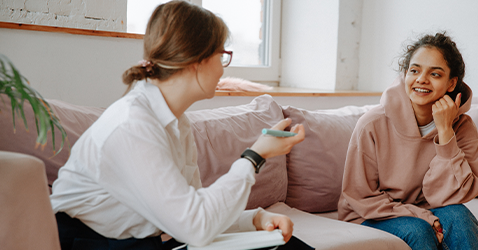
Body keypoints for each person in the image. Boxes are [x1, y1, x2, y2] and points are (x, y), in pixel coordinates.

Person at [50, 1, 313, 249]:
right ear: (196, 61)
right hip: (90, 244)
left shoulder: (177, 123)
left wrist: (255, 219)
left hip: (141, 242)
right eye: (221, 55)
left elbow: (193, 211)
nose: (223, 70)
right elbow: (194, 226)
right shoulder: (133, 125)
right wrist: (255, 156)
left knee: (280, 243)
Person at [338, 32, 478, 250]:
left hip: (428, 208)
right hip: (370, 215)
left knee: (460, 217)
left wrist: (445, 134)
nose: (421, 79)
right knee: (418, 230)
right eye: (414, 70)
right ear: (405, 74)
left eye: (435, 74)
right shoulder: (372, 124)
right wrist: (421, 215)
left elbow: (457, 195)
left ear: (452, 83)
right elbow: (360, 196)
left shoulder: (463, 128)